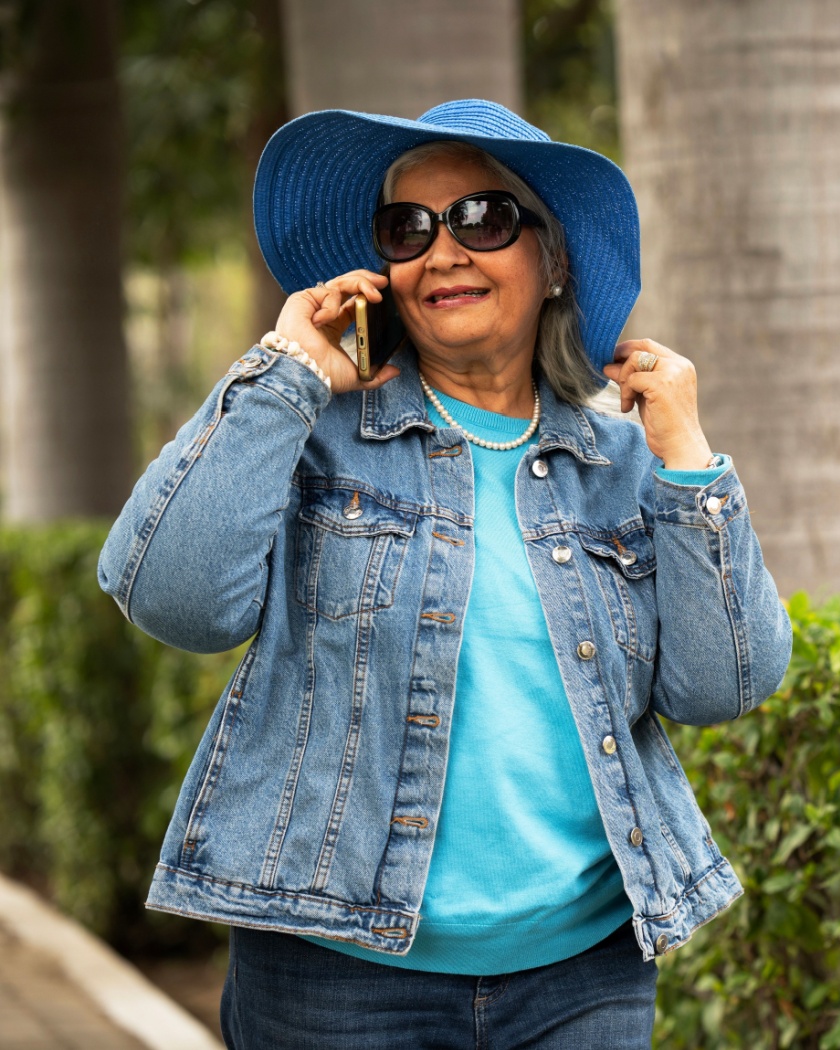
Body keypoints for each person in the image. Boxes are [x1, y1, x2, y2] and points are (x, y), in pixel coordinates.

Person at [97, 99, 792, 1049]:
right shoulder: (314, 442)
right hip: (336, 979)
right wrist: (288, 370)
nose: (444, 250)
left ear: (553, 262)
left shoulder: (627, 469)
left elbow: (723, 686)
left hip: (582, 976)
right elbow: (174, 599)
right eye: (408, 228)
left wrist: (686, 456)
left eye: (483, 218)